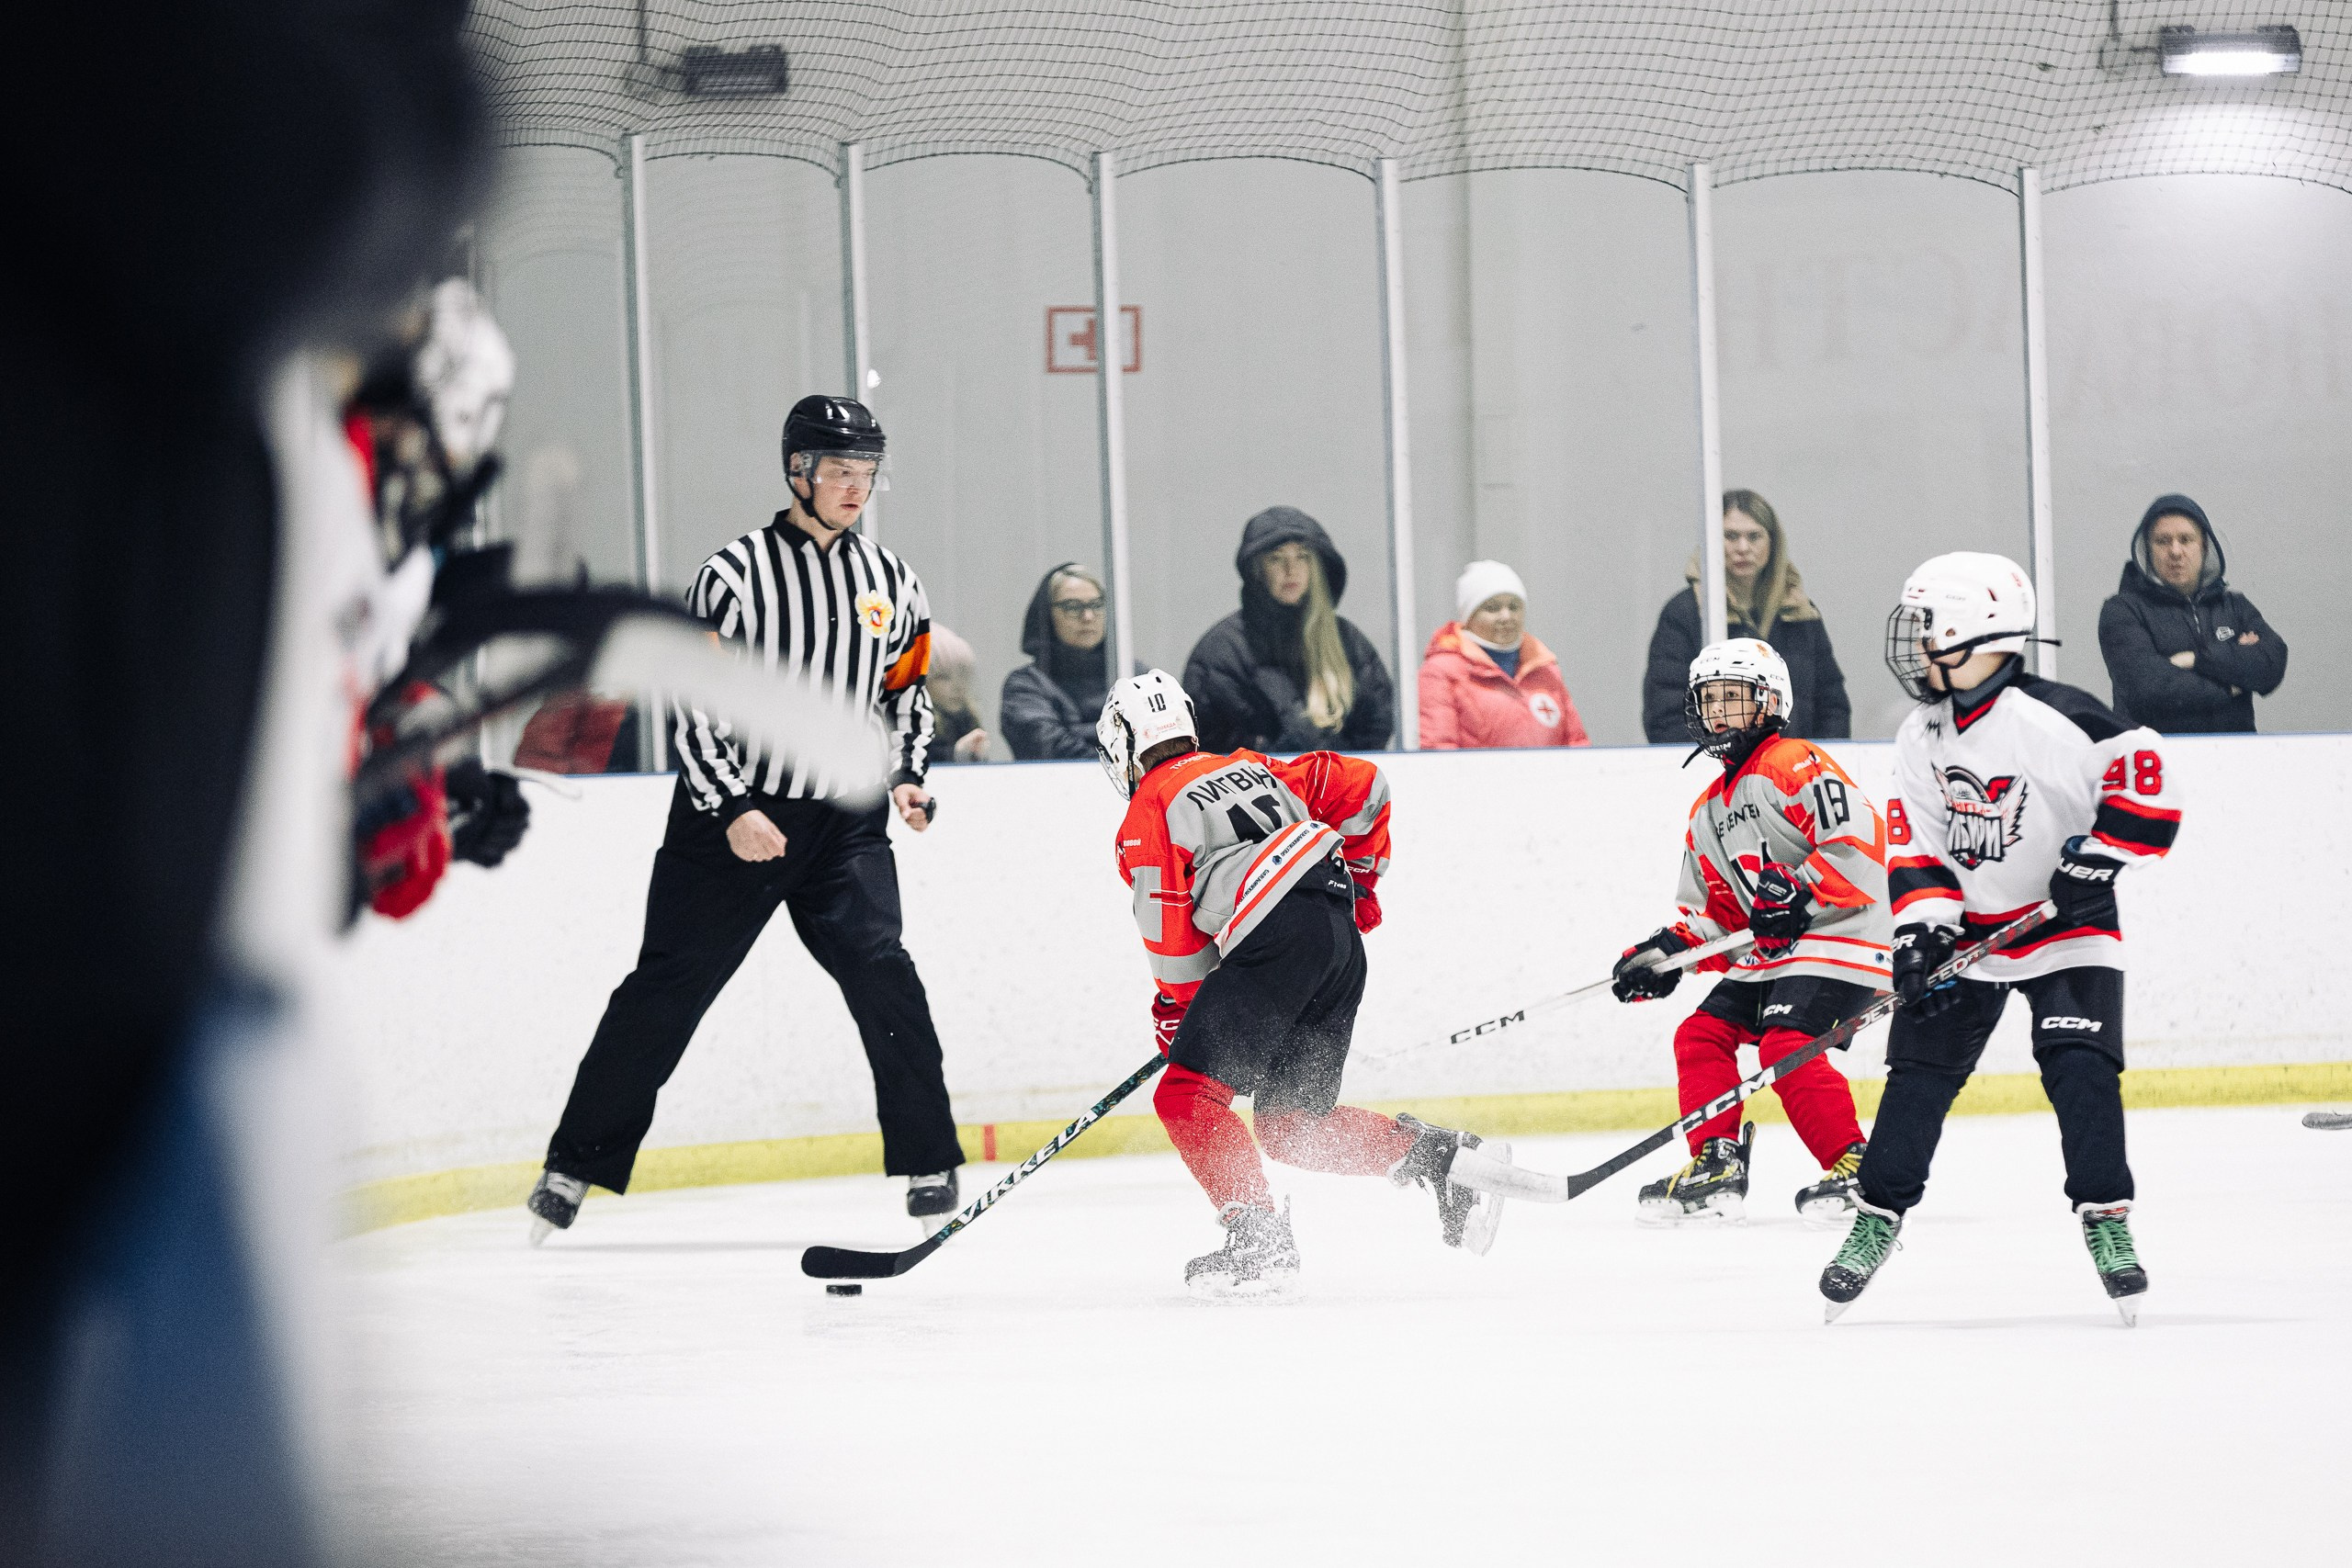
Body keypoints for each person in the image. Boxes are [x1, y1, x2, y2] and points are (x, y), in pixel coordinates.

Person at [526, 396, 967, 1242]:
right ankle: (572, 1166)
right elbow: (697, 705)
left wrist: (909, 775)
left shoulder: (892, 580)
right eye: (837, 470)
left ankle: (929, 1157)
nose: (853, 486)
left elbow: (905, 691)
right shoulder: (732, 574)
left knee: (883, 969)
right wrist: (731, 806)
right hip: (727, 816)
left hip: (844, 818)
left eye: (865, 471)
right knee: (668, 986)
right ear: (796, 471)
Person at [1820, 552, 2180, 1325]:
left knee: (2081, 1071)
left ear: (1969, 630)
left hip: (2068, 927)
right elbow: (1917, 843)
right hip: (1970, 937)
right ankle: (1876, 1219)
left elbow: (2150, 783)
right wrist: (1920, 936)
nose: (1916, 646)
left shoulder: (2055, 716)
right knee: (1917, 1078)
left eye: (1926, 629)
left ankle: (2107, 1218)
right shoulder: (1921, 734)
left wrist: (2102, 856)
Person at [1096, 670, 1505, 1295]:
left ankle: (1258, 1240)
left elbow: (1173, 944)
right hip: (1336, 937)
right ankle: (1443, 1157)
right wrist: (1361, 886)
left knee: (1184, 1096)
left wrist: (1180, 1015)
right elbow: (1366, 786)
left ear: (1123, 743)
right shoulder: (1252, 766)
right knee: (1291, 1123)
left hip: (1275, 939)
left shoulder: (1148, 806)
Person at [1611, 638, 1888, 1225]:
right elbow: (1724, 918)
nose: (1718, 712)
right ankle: (1716, 1159)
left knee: (1785, 1044)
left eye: (1733, 698)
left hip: (1844, 936)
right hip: (1776, 954)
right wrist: (1669, 956)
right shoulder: (1707, 809)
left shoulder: (1793, 761)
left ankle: (1854, 1165)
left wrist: (1800, 891)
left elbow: (1859, 839)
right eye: (1709, 700)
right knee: (1699, 1036)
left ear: (1770, 702)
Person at [1182, 505, 1396, 754]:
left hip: (1334, 789)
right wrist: (1274, 755)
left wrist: (1326, 765)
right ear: (1257, 570)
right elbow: (1205, 740)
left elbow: (1374, 728)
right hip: (1252, 791)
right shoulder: (1222, 652)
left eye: (1302, 557)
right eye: (1276, 558)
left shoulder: (1349, 643)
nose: (1290, 569)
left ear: (1316, 567)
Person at [1643, 490, 1850, 744]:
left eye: (1754, 536)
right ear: (1711, 541)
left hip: (1793, 774)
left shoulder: (1800, 614)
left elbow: (1832, 707)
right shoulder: (1687, 614)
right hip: (1716, 774)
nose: (1743, 548)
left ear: (1772, 543)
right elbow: (1666, 716)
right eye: (1731, 536)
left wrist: (1809, 765)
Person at [2098, 493, 2287, 735]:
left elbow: (2272, 662)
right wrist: (2232, 685)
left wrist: (2195, 660)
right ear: (2147, 549)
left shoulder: (2234, 606)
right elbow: (2148, 689)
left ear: (2204, 547)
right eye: (2163, 541)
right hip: (2159, 764)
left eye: (2186, 539)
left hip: (2237, 760)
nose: (2175, 551)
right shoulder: (2123, 611)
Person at [1419, 559, 1590, 750]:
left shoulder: (1545, 669)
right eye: (1492, 608)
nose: (1506, 617)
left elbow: (1577, 743)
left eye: (1514, 607)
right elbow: (1437, 749)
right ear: (1468, 617)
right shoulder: (1441, 672)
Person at [1001, 562, 1121, 760]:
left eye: (1096, 605)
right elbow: (1047, 748)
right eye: (1072, 607)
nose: (1088, 616)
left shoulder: (1132, 675)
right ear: (1047, 615)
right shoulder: (1026, 685)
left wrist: (1077, 732)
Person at [923, 626, 991, 765]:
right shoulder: (912, 726)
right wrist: (954, 755)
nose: (957, 686)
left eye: (963, 675)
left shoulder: (968, 719)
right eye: (943, 677)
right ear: (923, 683)